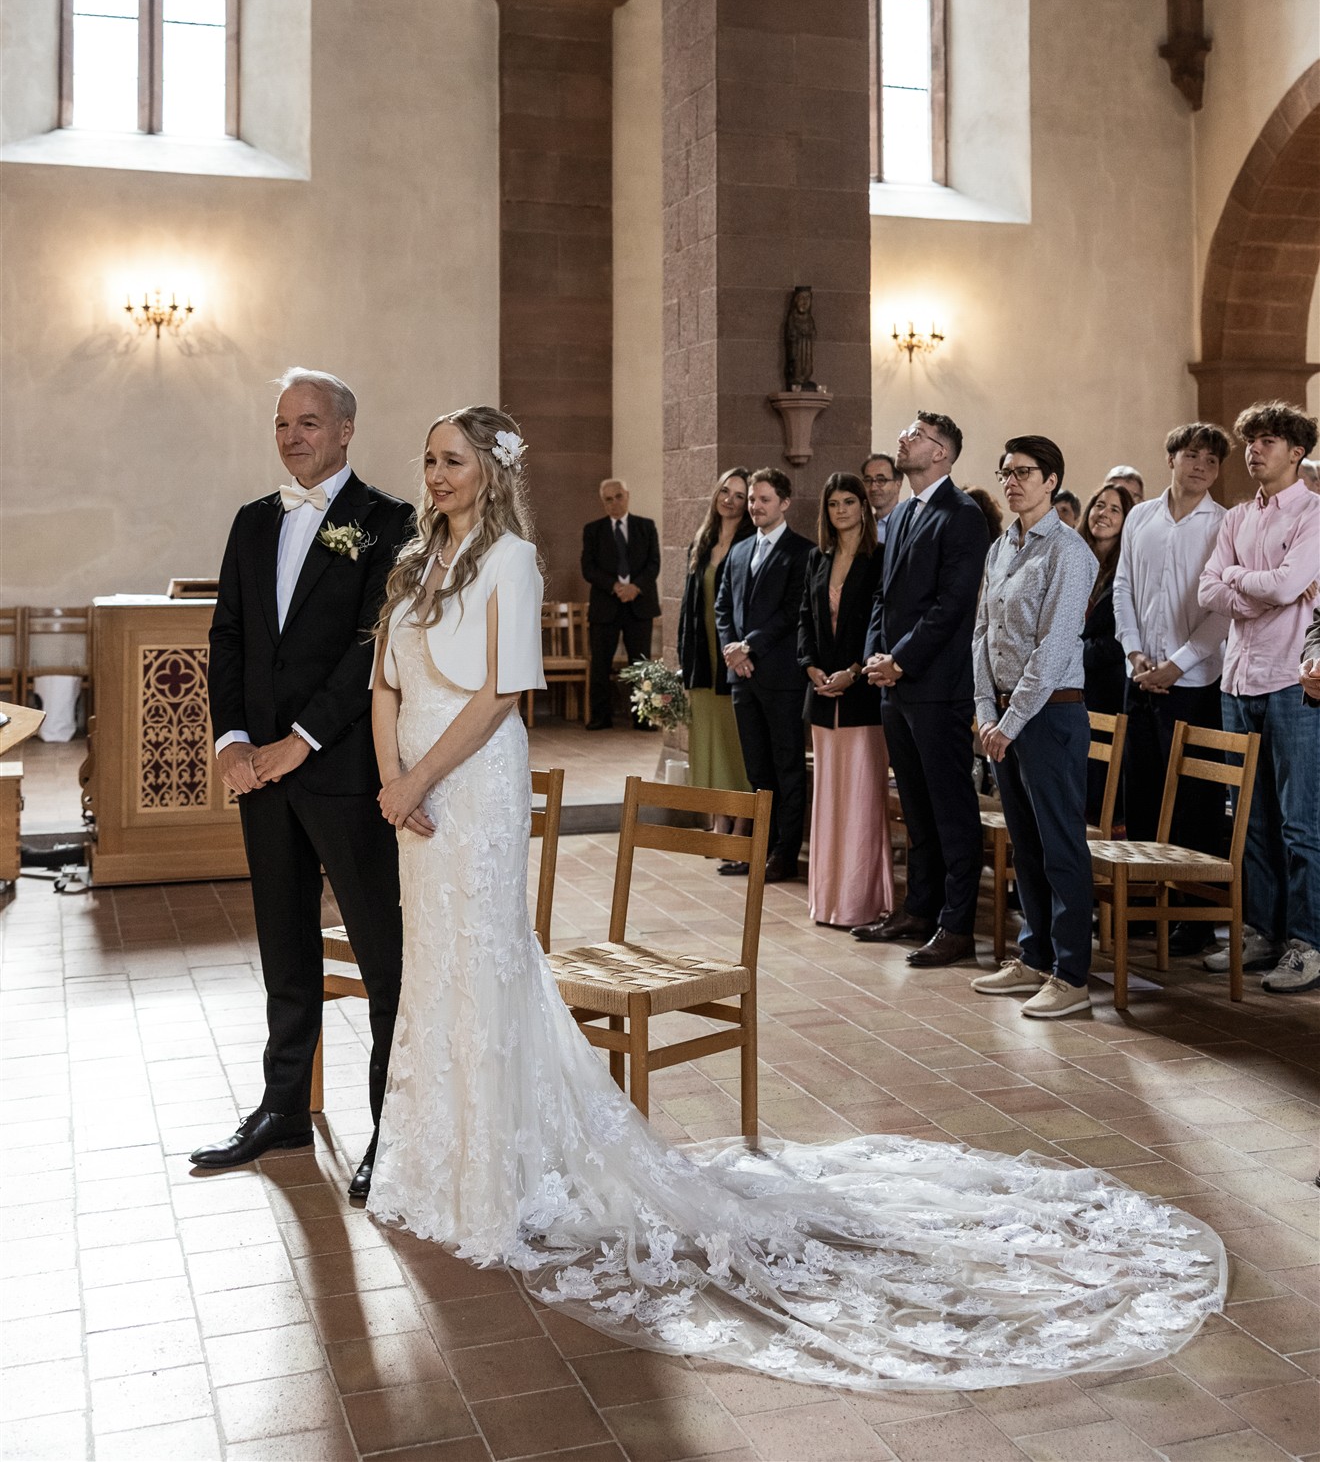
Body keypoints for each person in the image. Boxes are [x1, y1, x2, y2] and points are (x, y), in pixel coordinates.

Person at [365, 403, 1223, 1390]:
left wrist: (416, 778)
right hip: (414, 796)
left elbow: (499, 693)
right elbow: (385, 676)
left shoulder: (512, 560)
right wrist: (393, 779)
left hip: (468, 787)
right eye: (428, 459)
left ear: (491, 470)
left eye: (453, 459)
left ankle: (492, 1173)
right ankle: (431, 1160)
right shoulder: (413, 560)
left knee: (484, 964)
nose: (436, 474)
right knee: (432, 968)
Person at [196, 369, 415, 1197]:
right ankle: (284, 1107)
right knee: (284, 950)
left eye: (310, 423)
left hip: (346, 771)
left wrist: (303, 739)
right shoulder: (253, 520)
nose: (293, 437)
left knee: (383, 958)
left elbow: (373, 647)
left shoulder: (389, 521)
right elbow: (227, 635)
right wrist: (232, 738)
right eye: (283, 423)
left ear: (346, 430)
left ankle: (392, 1131)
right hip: (261, 774)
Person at [971, 435, 1098, 1019]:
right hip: (1005, 716)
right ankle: (1035, 955)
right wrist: (986, 712)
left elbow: (1053, 648)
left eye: (1023, 472)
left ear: (1051, 480)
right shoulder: (1001, 547)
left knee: (1060, 845)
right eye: (1005, 473)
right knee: (1025, 843)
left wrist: (1011, 720)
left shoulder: (1069, 552)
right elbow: (982, 633)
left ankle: (1071, 975)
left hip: (1051, 714)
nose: (1012, 482)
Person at [856, 413, 990, 967]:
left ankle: (957, 927)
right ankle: (920, 909)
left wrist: (902, 660)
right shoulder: (907, 512)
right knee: (915, 805)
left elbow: (952, 605)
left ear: (941, 453)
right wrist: (875, 655)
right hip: (896, 684)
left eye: (915, 435)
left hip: (937, 685)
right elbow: (884, 596)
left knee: (950, 809)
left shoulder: (963, 514)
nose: (903, 439)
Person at [1198, 401, 1320, 993]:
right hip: (1237, 680)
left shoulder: (1314, 513)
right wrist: (1257, 589)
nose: (1254, 450)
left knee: (1300, 823)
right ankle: (1262, 932)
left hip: (1291, 681)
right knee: (1248, 820)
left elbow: (1290, 584)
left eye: (1267, 440)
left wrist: (1238, 580)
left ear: (1296, 452)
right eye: (1251, 441)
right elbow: (1206, 589)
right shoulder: (1238, 517)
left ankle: (1307, 943)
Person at [1113, 424, 1231, 953]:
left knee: (1193, 802)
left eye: (1211, 460)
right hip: (1140, 676)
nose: (1201, 466)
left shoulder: (1223, 525)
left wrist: (1177, 665)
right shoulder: (1141, 516)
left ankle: (1194, 918)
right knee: (1140, 792)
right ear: (1171, 459)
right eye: (1192, 455)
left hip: (1194, 682)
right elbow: (1122, 587)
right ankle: (1141, 907)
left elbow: (1222, 612)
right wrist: (1134, 652)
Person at [799, 473, 892, 927]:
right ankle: (827, 900)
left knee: (861, 800)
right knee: (829, 802)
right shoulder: (818, 558)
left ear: (863, 507)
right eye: (833, 503)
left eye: (849, 502)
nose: (841, 511)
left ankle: (860, 902)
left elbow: (881, 622)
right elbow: (804, 617)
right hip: (822, 696)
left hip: (862, 697)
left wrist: (853, 672)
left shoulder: (879, 558)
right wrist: (810, 667)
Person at [715, 467, 813, 882]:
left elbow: (794, 611)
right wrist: (733, 651)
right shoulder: (739, 551)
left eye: (764, 499)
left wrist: (749, 646)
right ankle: (759, 849)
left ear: (784, 503)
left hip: (781, 676)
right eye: (752, 499)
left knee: (787, 767)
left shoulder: (802, 552)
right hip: (743, 677)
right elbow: (722, 607)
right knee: (757, 769)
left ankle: (784, 855)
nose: (755, 506)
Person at [677, 468, 754, 867]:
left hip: (731, 656)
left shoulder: (748, 543)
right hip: (702, 657)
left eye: (740, 495)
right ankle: (719, 819)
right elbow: (687, 607)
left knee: (735, 742)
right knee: (708, 742)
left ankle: (741, 824)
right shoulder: (703, 540)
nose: (730, 500)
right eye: (725, 491)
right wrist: (683, 660)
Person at [581, 477, 661, 729]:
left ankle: (643, 717)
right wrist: (615, 586)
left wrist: (635, 587)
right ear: (602, 503)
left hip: (639, 605)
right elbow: (588, 568)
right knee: (601, 664)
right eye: (608, 499)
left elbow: (654, 564)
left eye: (618, 497)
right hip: (606, 605)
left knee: (641, 664)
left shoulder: (645, 527)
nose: (614, 503)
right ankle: (600, 717)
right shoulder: (593, 530)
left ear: (627, 497)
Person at [1078, 483, 1134, 821]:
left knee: (1098, 788)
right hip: (1067, 688)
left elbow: (1118, 639)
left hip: (1105, 689)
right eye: (1100, 505)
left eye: (1115, 509)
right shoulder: (1072, 558)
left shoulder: (1127, 568)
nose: (1104, 514)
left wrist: (1069, 653)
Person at [861, 451, 904, 543]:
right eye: (868, 480)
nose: (873, 488)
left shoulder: (909, 524)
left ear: (898, 484)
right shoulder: (862, 527)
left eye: (881, 480)